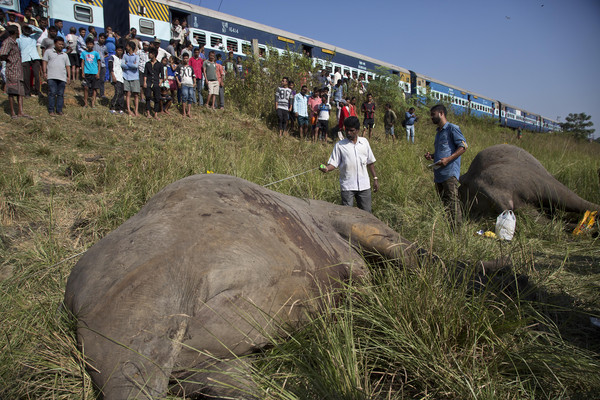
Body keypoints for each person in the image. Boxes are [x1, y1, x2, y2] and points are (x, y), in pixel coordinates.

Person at [319, 116, 379, 213]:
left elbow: (370, 162)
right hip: (348, 186)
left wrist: (375, 178)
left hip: (364, 186)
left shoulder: (364, 142)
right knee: (348, 215)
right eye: (346, 130)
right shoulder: (340, 145)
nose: (348, 133)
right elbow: (333, 163)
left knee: (367, 214)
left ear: (358, 130)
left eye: (351, 130)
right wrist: (326, 168)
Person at [424, 104, 468, 228]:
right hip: (438, 175)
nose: (431, 117)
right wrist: (432, 156)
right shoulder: (438, 133)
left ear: (441, 113)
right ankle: (449, 229)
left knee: (453, 204)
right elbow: (443, 152)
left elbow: (464, 146)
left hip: (449, 174)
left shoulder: (452, 129)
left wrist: (448, 159)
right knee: (445, 205)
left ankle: (458, 233)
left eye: (433, 114)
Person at [1, 25, 30, 119]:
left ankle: (20, 112)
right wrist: (10, 61)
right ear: (14, 32)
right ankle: (13, 113)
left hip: (18, 71)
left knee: (20, 92)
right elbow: (2, 54)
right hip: (12, 71)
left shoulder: (15, 43)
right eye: (18, 31)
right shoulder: (8, 42)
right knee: (12, 92)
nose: (19, 33)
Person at [42, 36, 70, 115]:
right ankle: (51, 110)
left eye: (62, 44)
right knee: (52, 93)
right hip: (51, 76)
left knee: (60, 94)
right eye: (59, 44)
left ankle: (59, 110)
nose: (61, 46)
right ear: (55, 44)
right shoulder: (48, 52)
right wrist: (44, 72)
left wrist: (68, 77)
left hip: (62, 77)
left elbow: (68, 66)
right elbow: (44, 62)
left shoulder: (65, 55)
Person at [17, 24, 43, 97]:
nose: (27, 31)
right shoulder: (19, 39)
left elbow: (40, 31)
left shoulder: (33, 37)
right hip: (25, 58)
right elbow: (18, 49)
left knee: (37, 75)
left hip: (34, 58)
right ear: (22, 30)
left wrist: (30, 26)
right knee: (26, 76)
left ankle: (38, 91)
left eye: (28, 29)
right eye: (26, 29)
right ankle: (27, 92)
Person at [80, 37, 101, 108]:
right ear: (86, 45)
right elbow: (82, 63)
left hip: (94, 73)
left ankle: (93, 103)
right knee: (86, 87)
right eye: (88, 44)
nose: (90, 45)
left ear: (93, 45)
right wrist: (82, 72)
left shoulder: (96, 53)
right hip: (87, 73)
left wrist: (98, 73)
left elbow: (99, 63)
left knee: (94, 88)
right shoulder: (83, 53)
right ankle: (85, 103)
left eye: (91, 44)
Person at [142, 48, 162, 119]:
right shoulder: (147, 64)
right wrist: (144, 82)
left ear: (154, 55)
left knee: (157, 98)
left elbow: (162, 74)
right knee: (148, 97)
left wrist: (160, 82)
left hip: (156, 82)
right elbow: (145, 74)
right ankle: (148, 113)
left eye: (150, 53)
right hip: (149, 82)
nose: (149, 55)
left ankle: (155, 114)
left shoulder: (159, 64)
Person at [122, 41, 140, 116]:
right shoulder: (125, 56)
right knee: (128, 94)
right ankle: (129, 110)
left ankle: (136, 110)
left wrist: (127, 64)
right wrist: (131, 65)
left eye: (128, 46)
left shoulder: (136, 56)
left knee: (136, 94)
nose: (126, 47)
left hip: (135, 77)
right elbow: (122, 65)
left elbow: (136, 66)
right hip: (126, 76)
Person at [177, 52, 195, 118]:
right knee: (184, 97)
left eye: (187, 58)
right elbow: (176, 75)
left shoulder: (190, 67)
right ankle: (184, 112)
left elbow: (193, 75)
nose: (185, 60)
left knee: (190, 98)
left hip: (190, 84)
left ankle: (189, 112)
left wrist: (194, 83)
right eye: (184, 58)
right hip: (184, 83)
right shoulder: (180, 66)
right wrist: (178, 82)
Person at [108, 44, 125, 114]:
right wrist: (113, 75)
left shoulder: (122, 59)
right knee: (117, 92)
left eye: (121, 50)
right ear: (116, 50)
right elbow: (110, 67)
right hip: (115, 77)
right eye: (118, 50)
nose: (120, 52)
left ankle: (120, 108)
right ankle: (112, 107)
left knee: (121, 93)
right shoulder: (112, 57)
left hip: (121, 78)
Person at [93, 33, 107, 98]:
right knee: (95, 79)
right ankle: (94, 93)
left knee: (102, 80)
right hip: (95, 64)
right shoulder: (95, 44)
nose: (102, 39)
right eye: (101, 38)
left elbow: (107, 53)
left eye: (103, 38)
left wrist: (103, 57)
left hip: (103, 65)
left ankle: (102, 94)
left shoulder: (105, 47)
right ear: (99, 38)